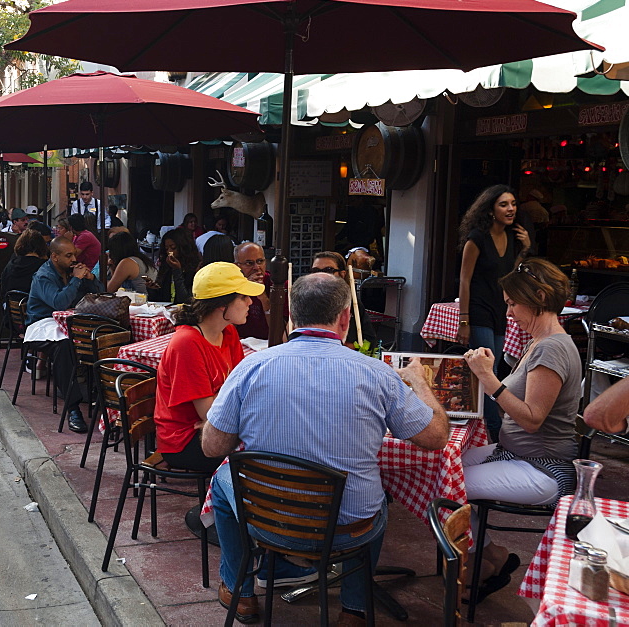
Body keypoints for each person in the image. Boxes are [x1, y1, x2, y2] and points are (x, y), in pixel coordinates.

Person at [203, 273, 449, 625]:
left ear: (291, 316)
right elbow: (437, 437)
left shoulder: (251, 367)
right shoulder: (378, 374)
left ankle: (240, 591)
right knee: (371, 498)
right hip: (349, 528)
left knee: (223, 479)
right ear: (345, 318)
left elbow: (213, 446)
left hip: (269, 523)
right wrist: (422, 385)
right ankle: (355, 609)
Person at [462, 258, 582, 591]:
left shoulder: (552, 349)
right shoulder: (540, 344)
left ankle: (480, 560)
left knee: (445, 485)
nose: (509, 313)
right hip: (516, 454)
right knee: (437, 471)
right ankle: (490, 555)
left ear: (539, 297)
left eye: (513, 304)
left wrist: (488, 379)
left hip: (543, 468)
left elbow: (531, 419)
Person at [156, 263, 259, 473]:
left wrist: (219, 414)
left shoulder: (228, 332)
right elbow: (212, 414)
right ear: (222, 304)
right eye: (243, 297)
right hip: (184, 441)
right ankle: (226, 506)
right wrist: (218, 416)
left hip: (211, 430)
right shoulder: (187, 343)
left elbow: (240, 389)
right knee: (261, 453)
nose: (250, 301)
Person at [458, 185, 532, 441]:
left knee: (494, 370)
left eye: (513, 203)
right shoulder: (476, 238)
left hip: (500, 310)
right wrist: (464, 320)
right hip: (478, 309)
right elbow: (464, 280)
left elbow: (511, 276)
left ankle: (479, 423)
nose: (510, 209)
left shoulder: (512, 237)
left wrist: (524, 250)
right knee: (487, 371)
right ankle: (495, 428)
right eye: (503, 204)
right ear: (490, 210)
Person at [24, 236, 104, 433]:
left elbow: (102, 293)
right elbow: (59, 302)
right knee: (64, 346)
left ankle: (101, 394)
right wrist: (76, 280)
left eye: (73, 255)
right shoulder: (44, 276)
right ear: (55, 257)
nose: (73, 259)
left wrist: (90, 279)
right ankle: (73, 407)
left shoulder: (71, 271)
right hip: (42, 325)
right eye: (68, 256)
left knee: (101, 336)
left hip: (70, 322)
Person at [310, 252, 378, 351]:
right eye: (315, 271)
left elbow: (369, 340)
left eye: (328, 270)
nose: (321, 275)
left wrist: (346, 348)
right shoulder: (305, 303)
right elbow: (289, 338)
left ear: (342, 274)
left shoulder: (352, 303)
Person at [232, 242, 273, 341]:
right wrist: (244, 291)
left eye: (260, 261)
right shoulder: (231, 284)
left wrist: (264, 298)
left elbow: (282, 330)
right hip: (241, 341)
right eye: (249, 263)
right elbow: (227, 326)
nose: (256, 267)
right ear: (237, 266)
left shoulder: (277, 284)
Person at [149, 227, 199, 303]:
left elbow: (185, 300)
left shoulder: (194, 268)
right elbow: (159, 299)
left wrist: (177, 270)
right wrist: (152, 289)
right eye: (166, 249)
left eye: (173, 247)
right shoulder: (166, 266)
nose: (169, 251)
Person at [0, 229, 49, 296]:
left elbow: (3, 287)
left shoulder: (11, 263)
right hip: (34, 304)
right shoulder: (44, 266)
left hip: (10, 303)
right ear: (42, 245)